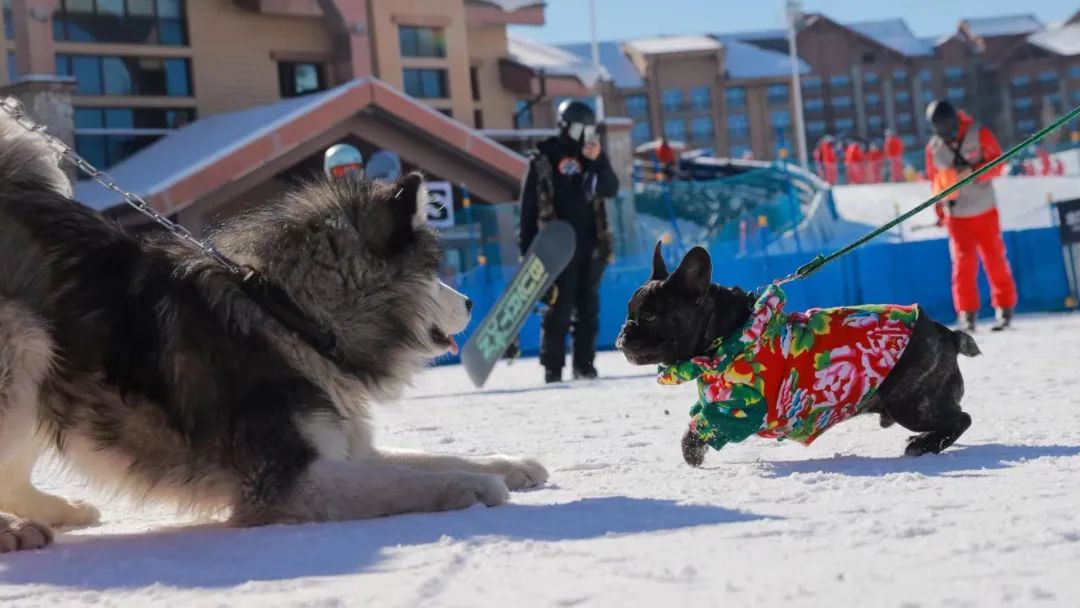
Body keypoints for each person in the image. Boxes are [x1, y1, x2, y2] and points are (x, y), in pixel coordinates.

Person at [519, 100, 619, 383]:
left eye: (589, 128)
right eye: (580, 127)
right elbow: (528, 210)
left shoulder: (593, 155)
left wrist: (598, 160)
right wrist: (526, 250)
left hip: (591, 243)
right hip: (555, 247)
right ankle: (553, 368)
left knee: (588, 307)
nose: (584, 133)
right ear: (565, 125)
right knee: (558, 307)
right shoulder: (544, 156)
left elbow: (610, 188)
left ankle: (584, 365)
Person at [924, 99, 1017, 332]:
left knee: (994, 258)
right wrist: (939, 210)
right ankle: (967, 314)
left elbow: (999, 162)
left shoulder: (980, 134)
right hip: (957, 216)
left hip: (985, 209)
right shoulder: (934, 149)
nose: (949, 136)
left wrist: (976, 172)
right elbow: (935, 183)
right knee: (963, 265)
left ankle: (1004, 308)